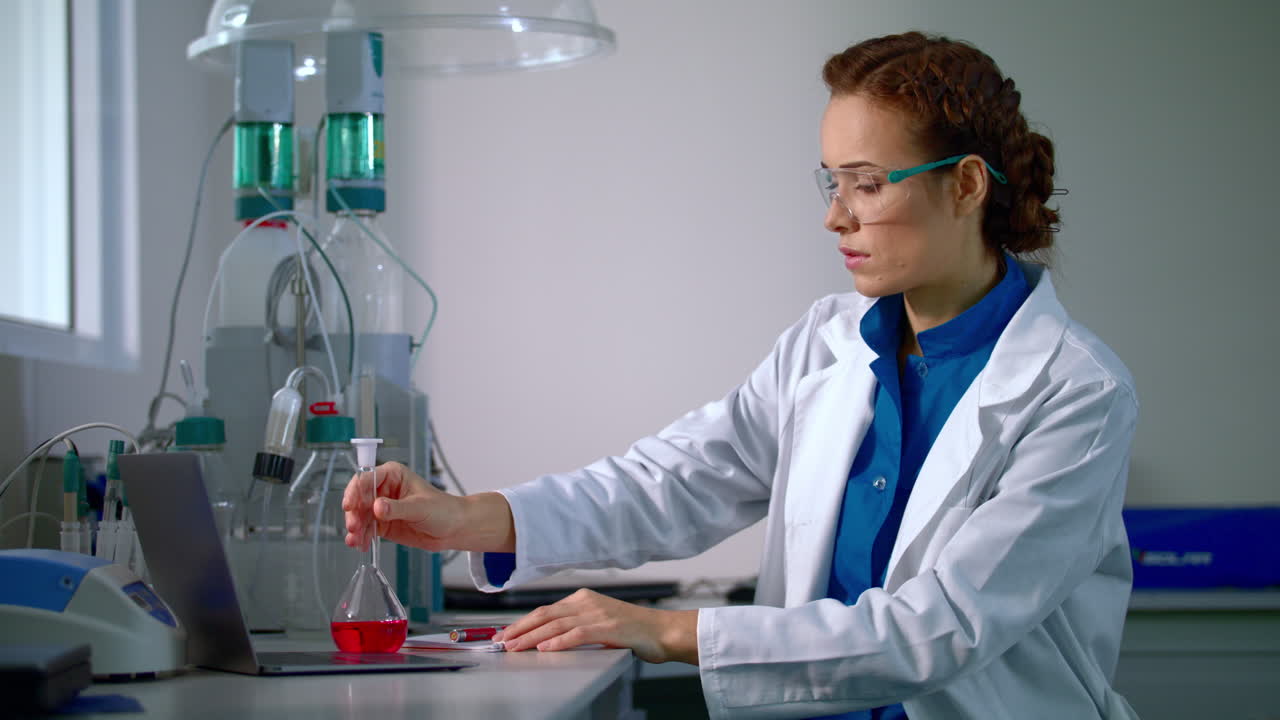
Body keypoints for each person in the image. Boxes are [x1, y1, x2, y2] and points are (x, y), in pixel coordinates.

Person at [344, 31, 1139, 720]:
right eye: (833, 183)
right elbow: (677, 481)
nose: (837, 216)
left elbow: (944, 626)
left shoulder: (1076, 393)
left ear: (965, 185)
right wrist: (471, 517)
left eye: (867, 184)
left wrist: (667, 631)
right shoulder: (824, 345)